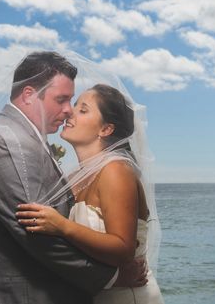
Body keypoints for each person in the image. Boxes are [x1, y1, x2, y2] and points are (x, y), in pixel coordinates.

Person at [0, 51, 146, 304]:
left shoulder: (26, 141)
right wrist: (112, 277)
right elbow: (37, 236)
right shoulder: (8, 145)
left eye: (74, 103)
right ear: (29, 95)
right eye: (61, 100)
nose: (68, 111)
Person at [16, 83, 164, 303]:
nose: (69, 112)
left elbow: (123, 249)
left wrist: (62, 226)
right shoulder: (74, 177)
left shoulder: (116, 170)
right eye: (74, 106)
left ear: (106, 129)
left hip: (126, 296)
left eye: (82, 110)